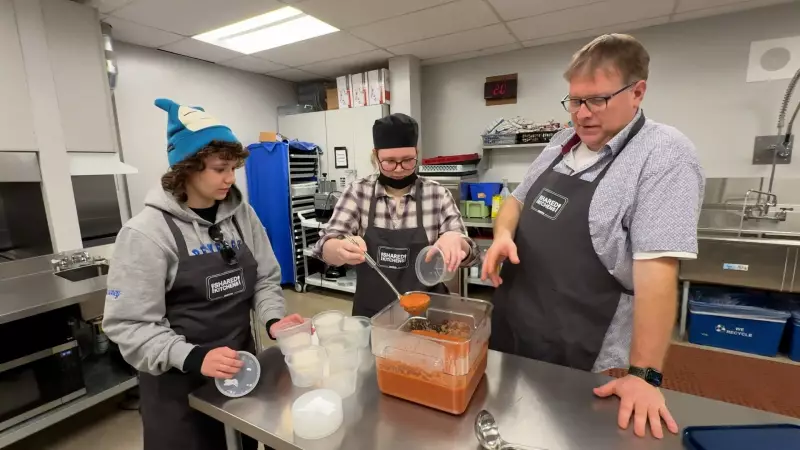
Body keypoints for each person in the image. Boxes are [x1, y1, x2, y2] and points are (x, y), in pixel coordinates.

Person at [482, 34, 704, 439]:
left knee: (569, 434)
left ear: (637, 92)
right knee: (509, 423)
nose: (581, 115)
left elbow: (657, 273)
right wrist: (502, 235)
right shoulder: (560, 144)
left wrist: (644, 375)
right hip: (517, 324)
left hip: (584, 342)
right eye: (574, 101)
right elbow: (514, 201)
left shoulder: (664, 155)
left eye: (596, 100)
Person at [103, 98, 301, 450]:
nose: (230, 178)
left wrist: (273, 320)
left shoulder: (243, 216)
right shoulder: (146, 233)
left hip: (239, 371)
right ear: (186, 168)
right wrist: (194, 357)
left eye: (233, 168)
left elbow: (266, 278)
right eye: (219, 169)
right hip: (177, 390)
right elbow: (129, 326)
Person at [314, 113, 478, 317]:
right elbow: (323, 247)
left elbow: (471, 254)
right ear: (375, 156)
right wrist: (336, 249)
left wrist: (458, 242)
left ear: (416, 153)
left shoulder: (436, 194)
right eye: (389, 162)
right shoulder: (358, 193)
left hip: (428, 311)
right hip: (373, 314)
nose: (399, 169)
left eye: (408, 161)